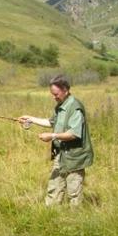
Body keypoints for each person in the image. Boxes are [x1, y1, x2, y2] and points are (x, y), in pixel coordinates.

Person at [19, 75, 93, 206]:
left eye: (56, 94)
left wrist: (52, 136)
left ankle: (74, 219)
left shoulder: (75, 107)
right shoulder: (60, 105)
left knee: (73, 190)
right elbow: (51, 122)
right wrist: (30, 119)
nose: (54, 97)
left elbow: (74, 134)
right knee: (54, 185)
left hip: (75, 157)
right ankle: (50, 214)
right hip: (61, 153)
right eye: (52, 94)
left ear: (65, 90)